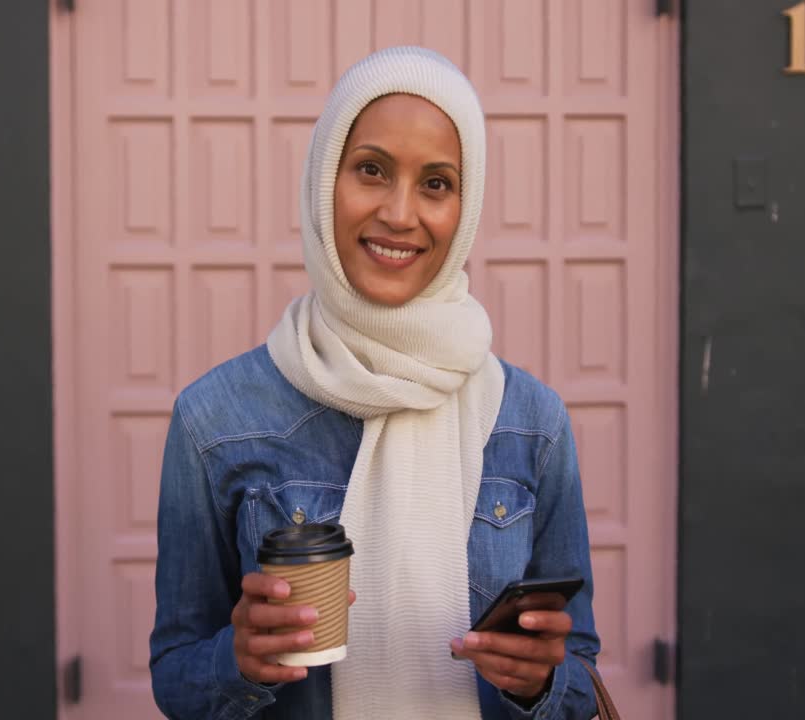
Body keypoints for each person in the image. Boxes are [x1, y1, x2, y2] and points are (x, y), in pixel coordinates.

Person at [150, 46, 600, 720]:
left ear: (466, 206)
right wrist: (235, 662)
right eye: (371, 169)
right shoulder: (214, 420)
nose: (399, 213)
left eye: (436, 183)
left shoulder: (532, 421)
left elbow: (580, 669)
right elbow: (175, 673)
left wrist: (540, 682)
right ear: (323, 178)